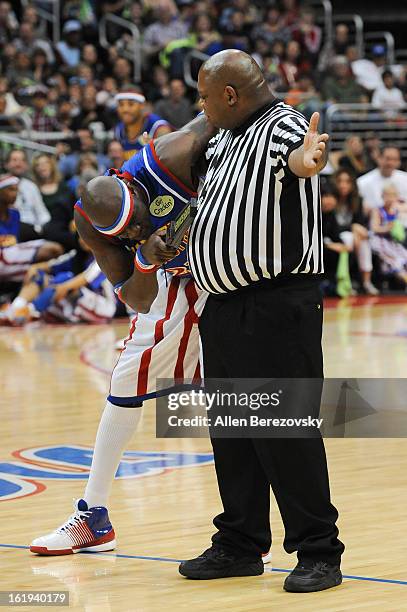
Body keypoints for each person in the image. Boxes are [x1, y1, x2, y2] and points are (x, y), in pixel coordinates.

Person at [182, 50, 344, 593]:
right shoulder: (224, 139)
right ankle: (240, 543)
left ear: (230, 94)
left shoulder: (282, 127)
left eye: (205, 96)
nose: (199, 105)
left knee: (285, 431)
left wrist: (309, 160)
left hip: (275, 307)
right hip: (224, 308)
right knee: (232, 434)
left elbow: (299, 160)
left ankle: (319, 550)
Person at [29, 114, 217, 556]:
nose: (134, 233)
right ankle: (93, 516)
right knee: (126, 383)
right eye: (125, 235)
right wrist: (146, 261)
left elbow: (224, 108)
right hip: (181, 280)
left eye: (135, 224)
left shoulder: (171, 154)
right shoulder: (88, 223)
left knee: (239, 395)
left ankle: (250, 526)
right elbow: (136, 299)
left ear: (133, 189)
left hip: (236, 270)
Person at [0, 175, 62, 284]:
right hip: (3, 258)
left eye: (16, 190)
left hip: (13, 253)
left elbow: (15, 243)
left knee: (55, 249)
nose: (15, 194)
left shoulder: (15, 214)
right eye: (11, 190)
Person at [333, 169, 378, 295]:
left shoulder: (357, 200)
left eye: (347, 182)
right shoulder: (330, 198)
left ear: (352, 184)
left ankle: (366, 281)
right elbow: (331, 226)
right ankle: (347, 281)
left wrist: (356, 229)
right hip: (336, 235)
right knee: (350, 238)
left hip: (353, 236)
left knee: (363, 240)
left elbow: (359, 223)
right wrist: (352, 228)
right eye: (340, 181)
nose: (343, 185)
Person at [114, 90, 172, 160]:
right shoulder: (119, 130)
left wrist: (155, 150)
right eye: (121, 105)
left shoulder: (158, 127)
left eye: (131, 104)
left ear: (142, 105)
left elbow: (169, 159)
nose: (125, 109)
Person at [5, 149, 51, 233]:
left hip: (33, 230)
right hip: (9, 230)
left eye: (22, 160)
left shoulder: (31, 186)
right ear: (7, 164)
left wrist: (41, 228)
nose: (18, 164)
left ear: (26, 165)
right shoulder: (2, 186)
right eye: (14, 160)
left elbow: (42, 213)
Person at [370, 184, 407, 286]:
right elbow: (374, 228)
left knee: (403, 255)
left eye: (393, 195)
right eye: (388, 195)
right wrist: (388, 228)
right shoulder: (378, 210)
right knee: (392, 259)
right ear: (382, 196)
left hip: (393, 241)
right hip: (380, 240)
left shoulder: (396, 210)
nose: (390, 198)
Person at [357, 146, 407, 218]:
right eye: (388, 159)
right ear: (379, 158)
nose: (391, 163)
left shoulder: (405, 178)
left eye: (395, 159)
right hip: (374, 224)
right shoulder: (362, 182)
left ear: (399, 162)